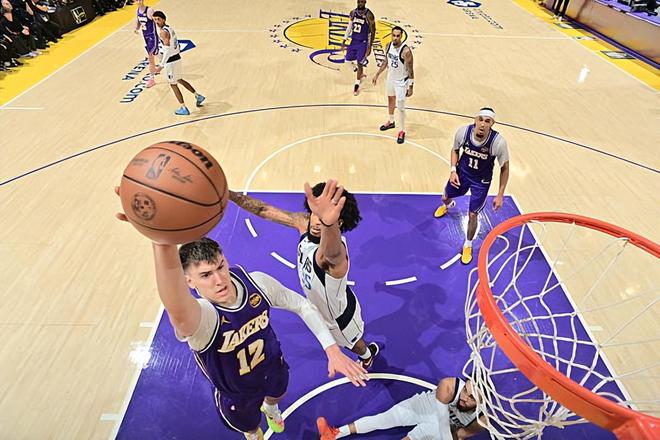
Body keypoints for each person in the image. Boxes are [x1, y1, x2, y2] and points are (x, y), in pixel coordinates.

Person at [114, 191, 368, 440]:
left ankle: (271, 409)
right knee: (250, 426)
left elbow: (304, 303)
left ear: (226, 260)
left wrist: (331, 348)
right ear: (188, 281)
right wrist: (161, 242)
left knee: (277, 394)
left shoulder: (256, 283)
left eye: (220, 267)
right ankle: (253, 434)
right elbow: (176, 307)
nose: (219, 280)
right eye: (206, 275)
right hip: (237, 392)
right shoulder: (203, 318)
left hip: (273, 364)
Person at [229, 180, 379, 369]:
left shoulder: (333, 256)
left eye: (324, 218)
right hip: (321, 304)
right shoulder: (304, 222)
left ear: (338, 222)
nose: (316, 221)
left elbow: (332, 253)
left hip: (339, 319)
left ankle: (367, 355)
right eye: (315, 214)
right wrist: (228, 195)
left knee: (354, 344)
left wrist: (328, 222)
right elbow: (263, 210)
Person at [433, 108, 510, 265]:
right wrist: (453, 171)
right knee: (445, 197)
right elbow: (455, 150)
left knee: (473, 215)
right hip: (462, 174)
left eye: (487, 121)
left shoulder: (498, 142)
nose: (482, 124)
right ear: (475, 119)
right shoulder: (463, 132)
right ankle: (448, 205)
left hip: (481, 181)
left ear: (492, 123)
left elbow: (505, 168)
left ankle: (468, 244)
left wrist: (500, 194)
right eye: (480, 119)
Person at [317, 377, 485, 440]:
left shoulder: (483, 419)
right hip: (426, 406)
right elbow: (441, 418)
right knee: (383, 419)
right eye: (465, 390)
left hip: (446, 427)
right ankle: (334, 434)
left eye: (471, 398)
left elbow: (460, 435)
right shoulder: (449, 385)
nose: (464, 397)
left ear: (483, 401)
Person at [152, 11, 205, 115]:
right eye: (155, 20)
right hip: (177, 58)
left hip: (171, 61)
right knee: (179, 79)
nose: (157, 22)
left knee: (173, 84)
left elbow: (167, 50)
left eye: (158, 19)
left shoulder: (163, 32)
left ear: (164, 19)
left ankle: (183, 107)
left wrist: (161, 65)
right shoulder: (170, 28)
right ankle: (198, 96)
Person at [372, 26, 414, 144]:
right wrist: (377, 74)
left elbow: (410, 70)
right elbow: (386, 61)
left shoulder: (406, 51)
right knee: (390, 99)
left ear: (401, 36)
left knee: (400, 106)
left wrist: (411, 86)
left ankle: (402, 131)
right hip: (391, 78)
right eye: (393, 35)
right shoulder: (388, 46)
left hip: (401, 81)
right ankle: (391, 121)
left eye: (398, 36)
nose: (395, 38)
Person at [341, 0, 375, 96]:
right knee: (347, 61)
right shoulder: (352, 13)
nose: (361, 3)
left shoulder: (369, 15)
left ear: (365, 2)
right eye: (359, 1)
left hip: (363, 42)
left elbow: (372, 31)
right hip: (354, 41)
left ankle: (357, 84)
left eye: (362, 2)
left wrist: (370, 46)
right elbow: (349, 27)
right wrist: (344, 40)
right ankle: (359, 72)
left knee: (360, 62)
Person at [133, 0, 158, 88]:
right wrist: (136, 28)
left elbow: (157, 21)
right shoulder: (137, 11)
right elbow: (138, 22)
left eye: (140, 0)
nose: (139, 1)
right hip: (145, 37)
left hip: (152, 37)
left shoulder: (149, 10)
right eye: (137, 0)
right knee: (157, 54)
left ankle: (151, 79)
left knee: (150, 57)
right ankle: (158, 67)